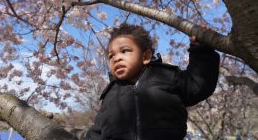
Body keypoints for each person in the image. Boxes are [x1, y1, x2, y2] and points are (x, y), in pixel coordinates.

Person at [86, 23, 220, 140]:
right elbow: (98, 130)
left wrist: (202, 50)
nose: (116, 58)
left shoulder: (167, 76)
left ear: (146, 56)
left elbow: (198, 85)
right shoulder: (111, 93)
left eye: (124, 51)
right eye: (111, 56)